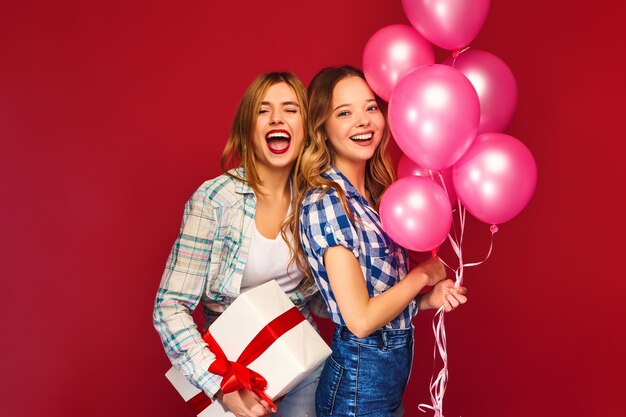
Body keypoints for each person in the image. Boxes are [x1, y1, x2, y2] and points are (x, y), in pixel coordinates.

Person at [294, 66, 468, 417]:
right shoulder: (328, 201)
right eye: (344, 113)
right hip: (358, 388)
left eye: (371, 107)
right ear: (322, 129)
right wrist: (421, 276)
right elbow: (359, 320)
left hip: (384, 380)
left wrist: (426, 300)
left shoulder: (374, 196)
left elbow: (378, 301)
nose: (363, 121)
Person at [153, 72, 325, 417]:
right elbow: (169, 307)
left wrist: (411, 298)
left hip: (301, 358)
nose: (277, 118)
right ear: (248, 129)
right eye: (264, 111)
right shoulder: (215, 200)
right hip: (233, 363)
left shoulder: (317, 199)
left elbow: (327, 299)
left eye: (290, 109)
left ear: (306, 128)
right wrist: (221, 385)